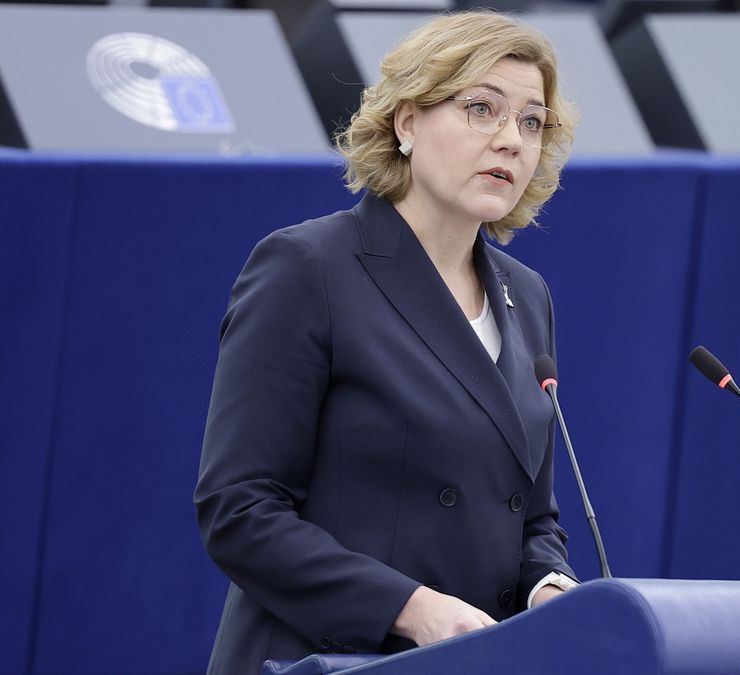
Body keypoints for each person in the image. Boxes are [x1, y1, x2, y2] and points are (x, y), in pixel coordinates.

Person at [194, 11, 579, 673]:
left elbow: (532, 518)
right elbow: (239, 509)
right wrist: (412, 606)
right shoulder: (308, 268)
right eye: (482, 108)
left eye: (531, 121)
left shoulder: (528, 294)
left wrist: (551, 586)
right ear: (406, 122)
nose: (511, 140)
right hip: (328, 659)